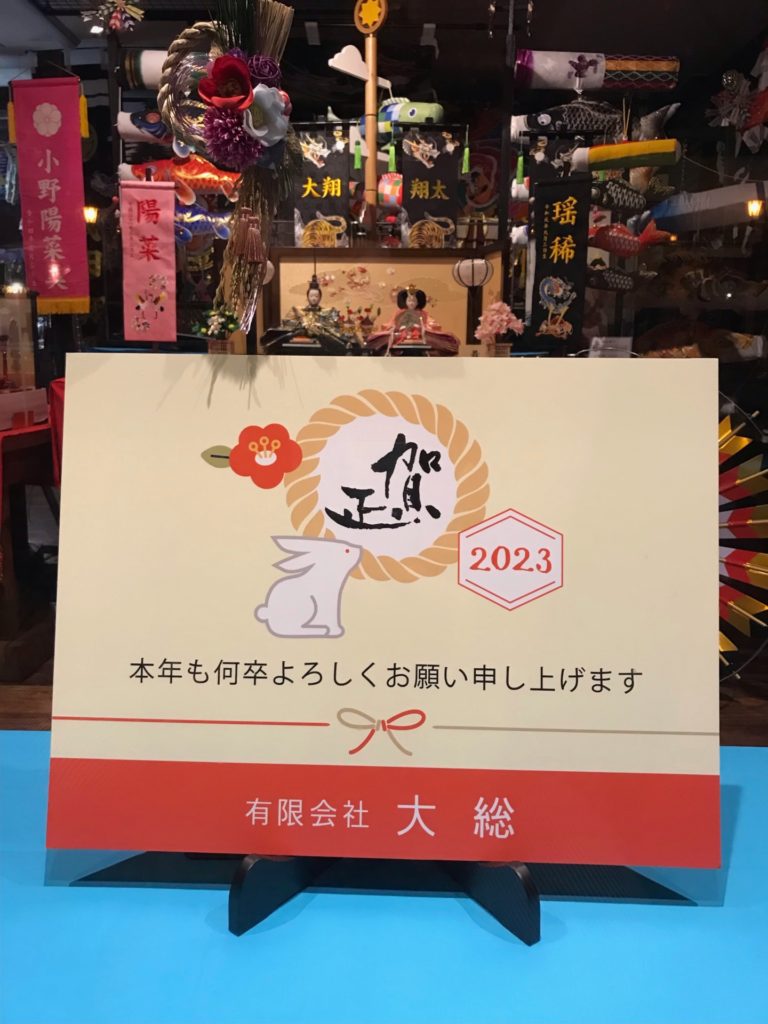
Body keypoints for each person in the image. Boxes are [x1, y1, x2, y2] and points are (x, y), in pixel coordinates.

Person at [260, 275, 358, 355]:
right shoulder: (297, 310)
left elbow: (334, 327)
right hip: (300, 338)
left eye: (316, 296)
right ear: (307, 297)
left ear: (320, 297)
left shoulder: (329, 311)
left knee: (341, 340)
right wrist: (303, 325)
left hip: (323, 341)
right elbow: (287, 324)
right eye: (311, 296)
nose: (314, 298)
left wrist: (318, 327)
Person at [365, 285, 459, 357]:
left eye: (414, 301)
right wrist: (398, 328)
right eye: (409, 301)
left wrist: (421, 328)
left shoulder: (423, 314)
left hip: (418, 335)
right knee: (385, 338)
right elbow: (391, 324)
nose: (411, 303)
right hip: (401, 335)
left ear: (418, 302)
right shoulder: (399, 313)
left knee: (433, 339)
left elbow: (431, 324)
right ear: (405, 302)